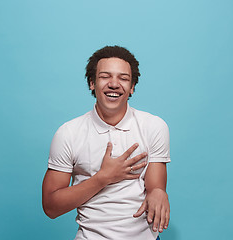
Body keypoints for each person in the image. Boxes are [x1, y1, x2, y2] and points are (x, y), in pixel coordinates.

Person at [42, 46, 171, 240]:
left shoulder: (154, 126)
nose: (114, 84)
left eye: (123, 78)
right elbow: (51, 207)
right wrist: (103, 178)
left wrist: (159, 192)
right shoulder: (68, 133)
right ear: (92, 83)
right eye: (105, 76)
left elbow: (155, 186)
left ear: (132, 87)